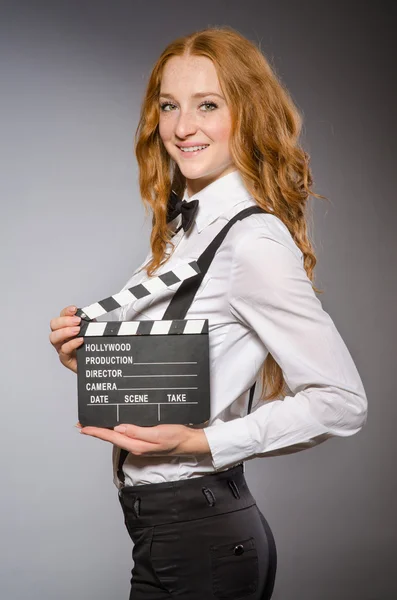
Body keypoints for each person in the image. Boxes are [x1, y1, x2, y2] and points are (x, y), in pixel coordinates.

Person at [49, 26, 368, 600]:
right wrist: (90, 360)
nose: (181, 127)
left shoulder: (253, 242)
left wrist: (200, 444)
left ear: (248, 115)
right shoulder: (183, 233)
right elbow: (183, 378)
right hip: (158, 532)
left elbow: (341, 403)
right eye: (169, 105)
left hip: (204, 539)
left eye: (208, 105)